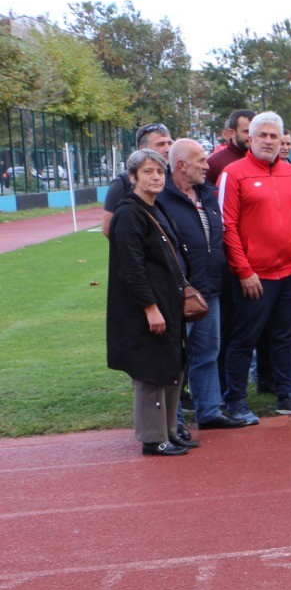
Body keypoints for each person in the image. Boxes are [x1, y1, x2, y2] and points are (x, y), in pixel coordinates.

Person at [220, 112, 291, 422]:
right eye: (262, 135)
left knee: (284, 337)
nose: (268, 141)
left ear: (281, 140)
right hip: (253, 276)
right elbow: (227, 226)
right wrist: (244, 270)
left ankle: (286, 395)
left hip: (289, 272)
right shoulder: (233, 173)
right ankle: (235, 400)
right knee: (243, 339)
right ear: (249, 138)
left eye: (273, 136)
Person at [107, 148, 191, 455]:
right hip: (147, 308)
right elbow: (130, 269)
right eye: (147, 172)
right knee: (151, 372)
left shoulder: (154, 208)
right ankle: (154, 438)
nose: (156, 177)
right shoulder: (129, 213)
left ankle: (169, 431)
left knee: (171, 367)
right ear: (132, 178)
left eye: (159, 172)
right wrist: (150, 308)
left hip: (168, 303)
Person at [157, 139, 231, 429]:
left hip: (210, 289)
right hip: (178, 292)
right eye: (200, 160)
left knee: (207, 353)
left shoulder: (208, 194)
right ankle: (171, 422)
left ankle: (209, 412)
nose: (207, 165)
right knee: (176, 358)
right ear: (180, 165)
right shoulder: (161, 199)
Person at [101, 123, 174, 238]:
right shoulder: (123, 182)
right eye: (160, 144)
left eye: (169, 143)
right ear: (142, 149)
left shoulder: (173, 176)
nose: (168, 149)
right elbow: (108, 228)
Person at [206, 109, 254, 184]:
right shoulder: (214, 163)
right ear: (231, 133)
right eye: (246, 131)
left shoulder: (266, 159)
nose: (251, 136)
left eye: (254, 131)